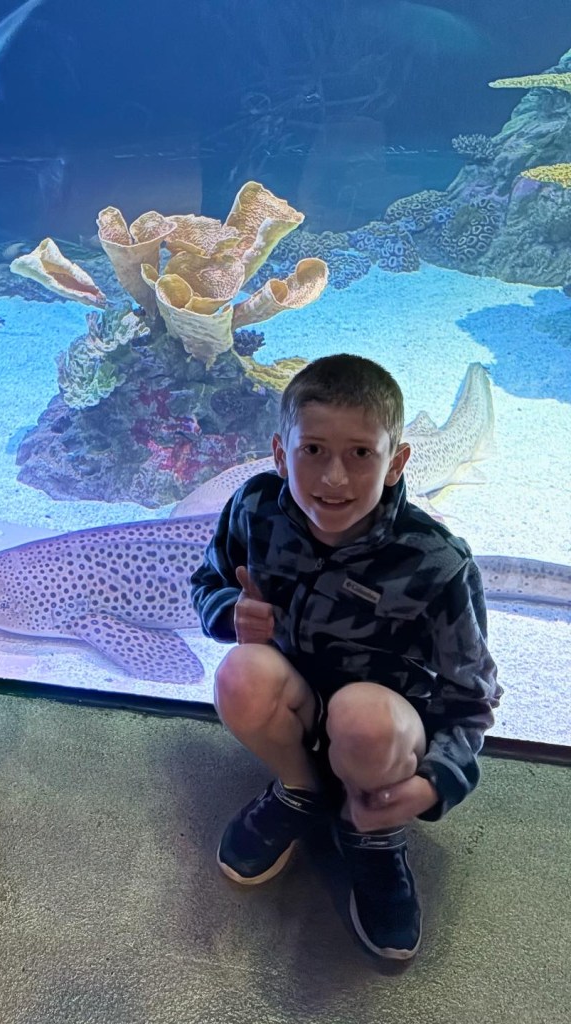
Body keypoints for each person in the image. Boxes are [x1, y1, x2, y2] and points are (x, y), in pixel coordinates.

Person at [191, 353, 500, 960]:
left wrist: (436, 783)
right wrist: (229, 612)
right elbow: (209, 581)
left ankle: (373, 833)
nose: (334, 478)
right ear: (280, 455)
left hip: (383, 732)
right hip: (298, 707)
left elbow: (472, 701)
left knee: (365, 717)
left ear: (396, 462)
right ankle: (300, 788)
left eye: (361, 453)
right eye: (313, 450)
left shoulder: (438, 561)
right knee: (240, 674)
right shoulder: (254, 507)